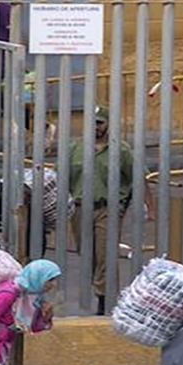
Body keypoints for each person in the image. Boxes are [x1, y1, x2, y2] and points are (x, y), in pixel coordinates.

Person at [68, 106, 154, 316]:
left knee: (106, 253)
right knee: (87, 253)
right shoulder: (75, 148)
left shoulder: (120, 149)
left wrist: (150, 207)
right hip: (80, 208)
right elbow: (62, 178)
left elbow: (138, 177)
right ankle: (99, 289)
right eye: (92, 122)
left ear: (107, 124)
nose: (96, 127)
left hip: (108, 207)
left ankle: (105, 299)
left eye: (100, 122)